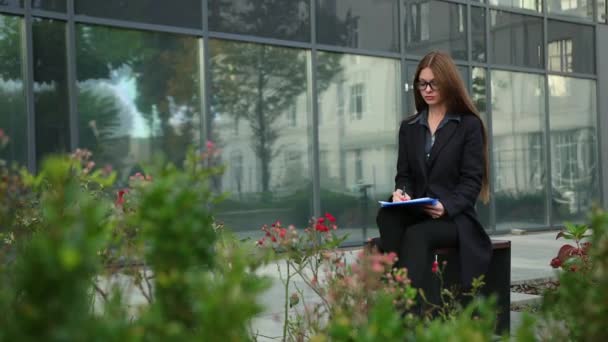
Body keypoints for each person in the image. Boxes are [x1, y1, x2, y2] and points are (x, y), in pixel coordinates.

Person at [376, 51, 492, 300]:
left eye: (433, 83)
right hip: (417, 211)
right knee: (387, 215)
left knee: (417, 235)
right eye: (422, 83)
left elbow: (472, 181)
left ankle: (405, 306)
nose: (427, 89)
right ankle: (399, 291)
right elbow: (404, 174)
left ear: (448, 83)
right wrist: (402, 192)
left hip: (453, 219)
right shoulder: (409, 127)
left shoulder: (468, 125)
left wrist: (446, 206)